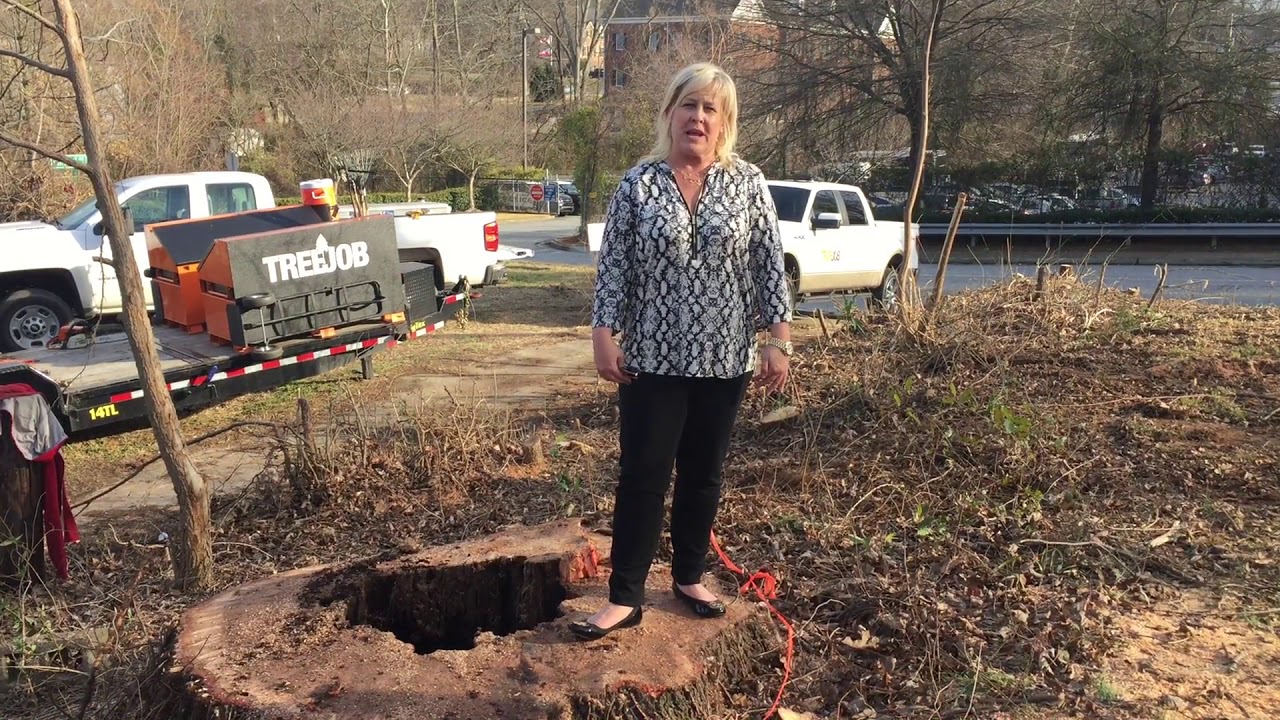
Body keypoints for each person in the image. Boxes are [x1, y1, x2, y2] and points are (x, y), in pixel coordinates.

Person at [569, 62, 792, 641]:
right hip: (652, 357)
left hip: (725, 358)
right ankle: (625, 597)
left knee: (703, 473)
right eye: (688, 105)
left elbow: (768, 264)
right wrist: (602, 333)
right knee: (643, 474)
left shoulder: (748, 183)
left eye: (710, 108)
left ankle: (689, 577)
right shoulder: (638, 184)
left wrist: (778, 339)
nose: (698, 117)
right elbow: (614, 268)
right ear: (669, 113)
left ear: (725, 122)